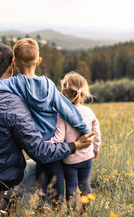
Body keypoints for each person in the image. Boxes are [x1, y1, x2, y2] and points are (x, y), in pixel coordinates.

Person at [0, 44, 94, 213]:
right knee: (42, 163)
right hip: (7, 181)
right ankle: (12, 202)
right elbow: (41, 152)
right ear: (12, 67)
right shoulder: (14, 104)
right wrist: (74, 146)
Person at [49, 71, 101, 206]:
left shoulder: (62, 116)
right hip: (87, 157)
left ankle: (73, 210)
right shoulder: (88, 111)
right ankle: (85, 209)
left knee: (71, 186)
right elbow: (96, 131)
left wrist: (45, 144)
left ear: (63, 92)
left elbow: (58, 139)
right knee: (85, 184)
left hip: (70, 159)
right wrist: (96, 148)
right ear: (84, 94)